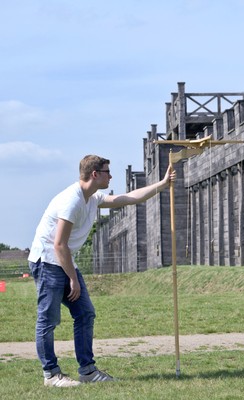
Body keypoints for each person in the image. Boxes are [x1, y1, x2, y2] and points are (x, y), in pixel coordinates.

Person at [28, 155, 175, 387]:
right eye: (107, 171)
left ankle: (87, 372)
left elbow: (126, 199)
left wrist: (162, 184)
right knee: (48, 319)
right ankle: (51, 374)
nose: (111, 175)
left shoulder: (93, 198)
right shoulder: (72, 201)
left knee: (85, 313)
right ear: (95, 174)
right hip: (47, 261)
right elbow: (58, 245)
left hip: (64, 260)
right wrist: (73, 279)